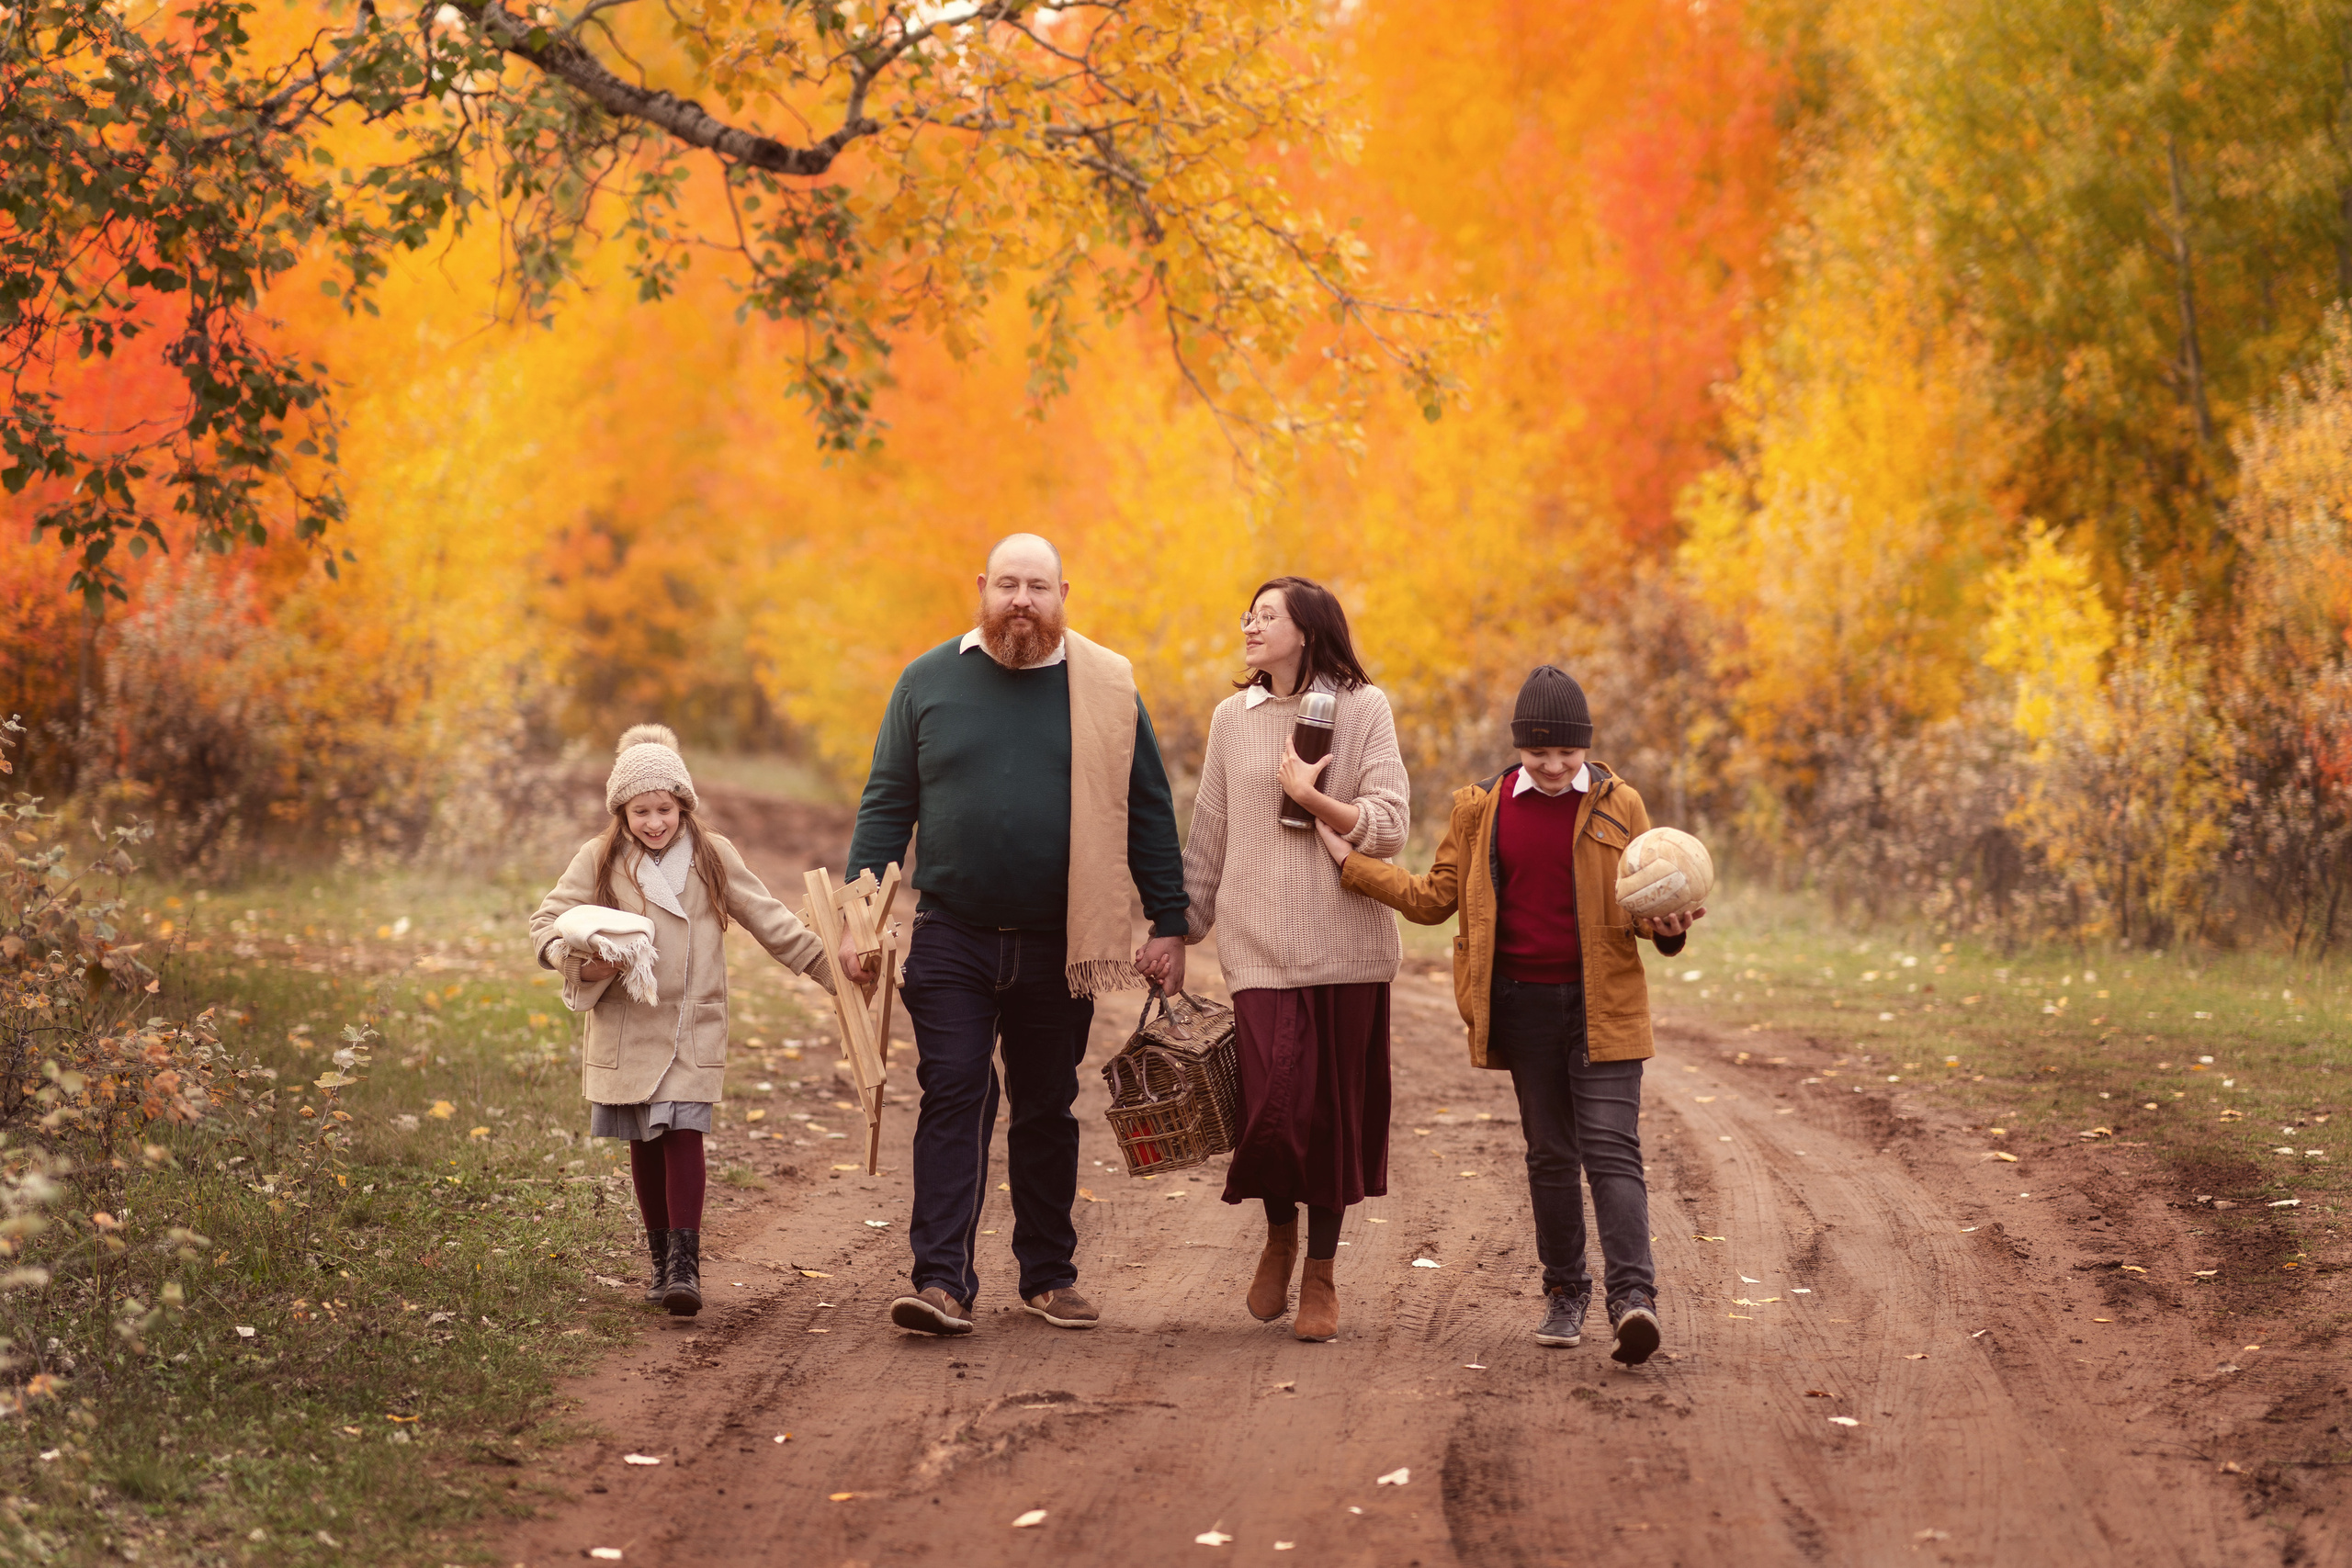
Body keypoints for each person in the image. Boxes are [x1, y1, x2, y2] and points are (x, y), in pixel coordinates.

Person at [844, 534, 1190, 1338]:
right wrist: (862, 917)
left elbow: (1147, 807)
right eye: (1008, 584)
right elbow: (887, 801)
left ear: (1063, 593)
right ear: (983, 587)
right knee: (954, 1091)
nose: (1021, 600)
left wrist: (1170, 921)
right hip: (951, 932)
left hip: (1059, 941)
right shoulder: (927, 679)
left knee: (1045, 1106)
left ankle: (1048, 1276)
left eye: (1037, 585)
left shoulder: (1106, 685)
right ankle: (941, 1282)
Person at [1315, 667, 1703, 1365]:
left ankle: (1633, 1301)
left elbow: (1648, 907)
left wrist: (1669, 926)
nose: (1554, 767)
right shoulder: (1480, 810)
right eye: (1538, 752)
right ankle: (1564, 1291)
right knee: (1550, 1155)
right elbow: (1434, 898)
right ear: (1518, 746)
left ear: (1587, 747)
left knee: (1612, 1151)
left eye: (1568, 753)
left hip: (1605, 1004)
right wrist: (1353, 863)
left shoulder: (1622, 806)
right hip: (1523, 1007)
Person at [530, 725, 835, 1316]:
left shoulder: (712, 855)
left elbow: (767, 917)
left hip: (693, 1021)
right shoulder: (599, 858)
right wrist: (582, 963)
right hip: (628, 1021)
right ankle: (658, 1263)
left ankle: (685, 1268)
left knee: (684, 1132)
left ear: (683, 805)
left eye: (664, 809)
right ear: (622, 812)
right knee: (644, 1140)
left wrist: (827, 969)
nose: (654, 823)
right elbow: (547, 923)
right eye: (640, 811)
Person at [1181, 576, 1409, 1342]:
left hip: (1346, 946)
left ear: (1307, 630)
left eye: (1266, 616)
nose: (1249, 625)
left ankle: (1321, 1269)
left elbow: (1390, 826)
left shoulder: (1363, 708)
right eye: (1247, 614)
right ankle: (1279, 1232)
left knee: (1330, 1117)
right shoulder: (1233, 718)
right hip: (1257, 947)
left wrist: (1312, 799)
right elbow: (1209, 830)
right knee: (1271, 1109)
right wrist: (1178, 929)